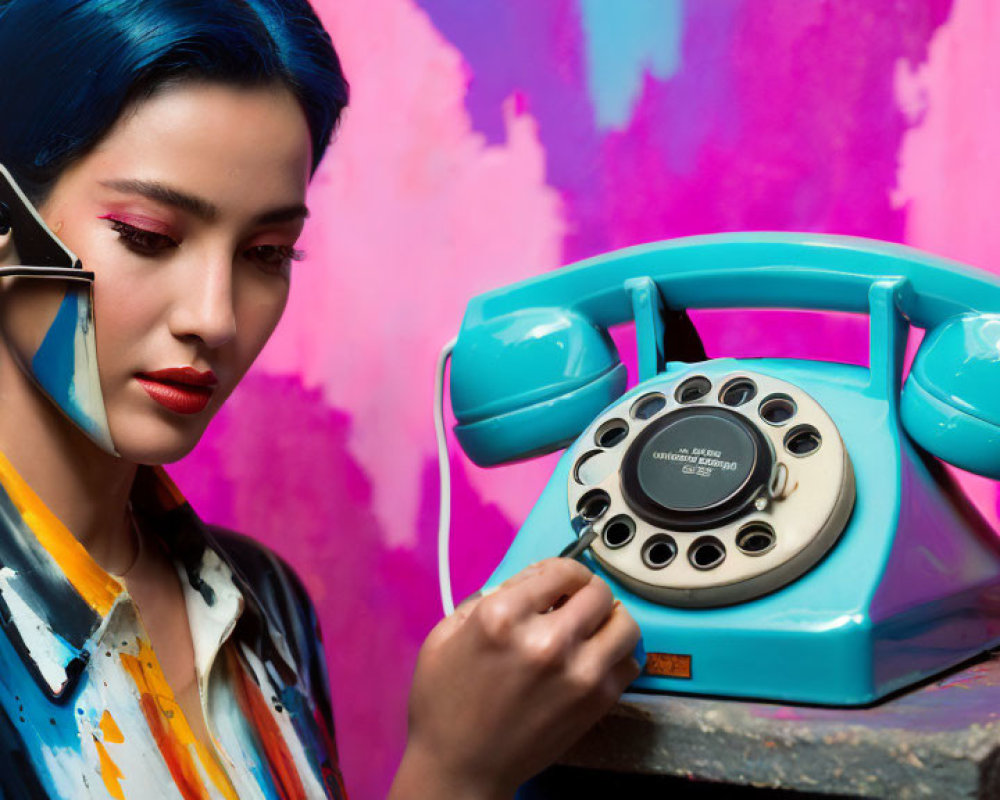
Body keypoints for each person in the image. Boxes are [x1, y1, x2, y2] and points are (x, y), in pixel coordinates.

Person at [0, 1, 642, 798]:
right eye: (148, 235)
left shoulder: (265, 603)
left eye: (267, 253)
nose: (215, 317)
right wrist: (454, 774)